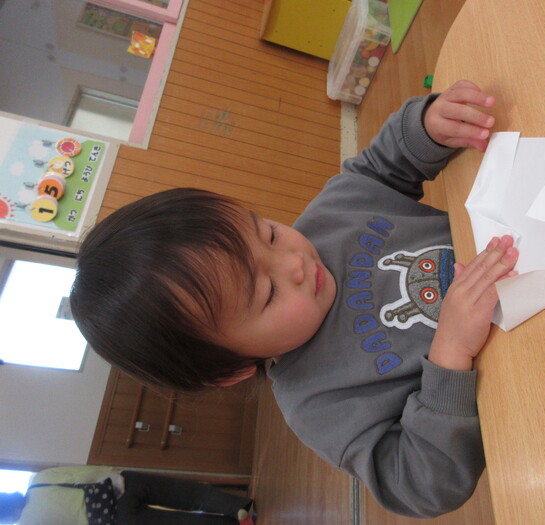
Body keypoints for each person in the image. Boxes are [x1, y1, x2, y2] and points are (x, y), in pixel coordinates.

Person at [69, 80, 519, 518]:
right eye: (267, 293)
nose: (294, 262)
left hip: (525, 253)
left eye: (267, 232)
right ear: (233, 369)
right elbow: (420, 485)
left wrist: (427, 127)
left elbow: (381, 167)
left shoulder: (331, 216)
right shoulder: (318, 404)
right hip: (526, 376)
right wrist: (450, 352)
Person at [4, 466, 253, 525]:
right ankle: (238, 507)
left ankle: (236, 524)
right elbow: (86, 472)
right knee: (188, 494)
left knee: (179, 522)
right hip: (123, 484)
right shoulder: (40, 479)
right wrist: (116, 475)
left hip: (118, 519)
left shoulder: (29, 523)